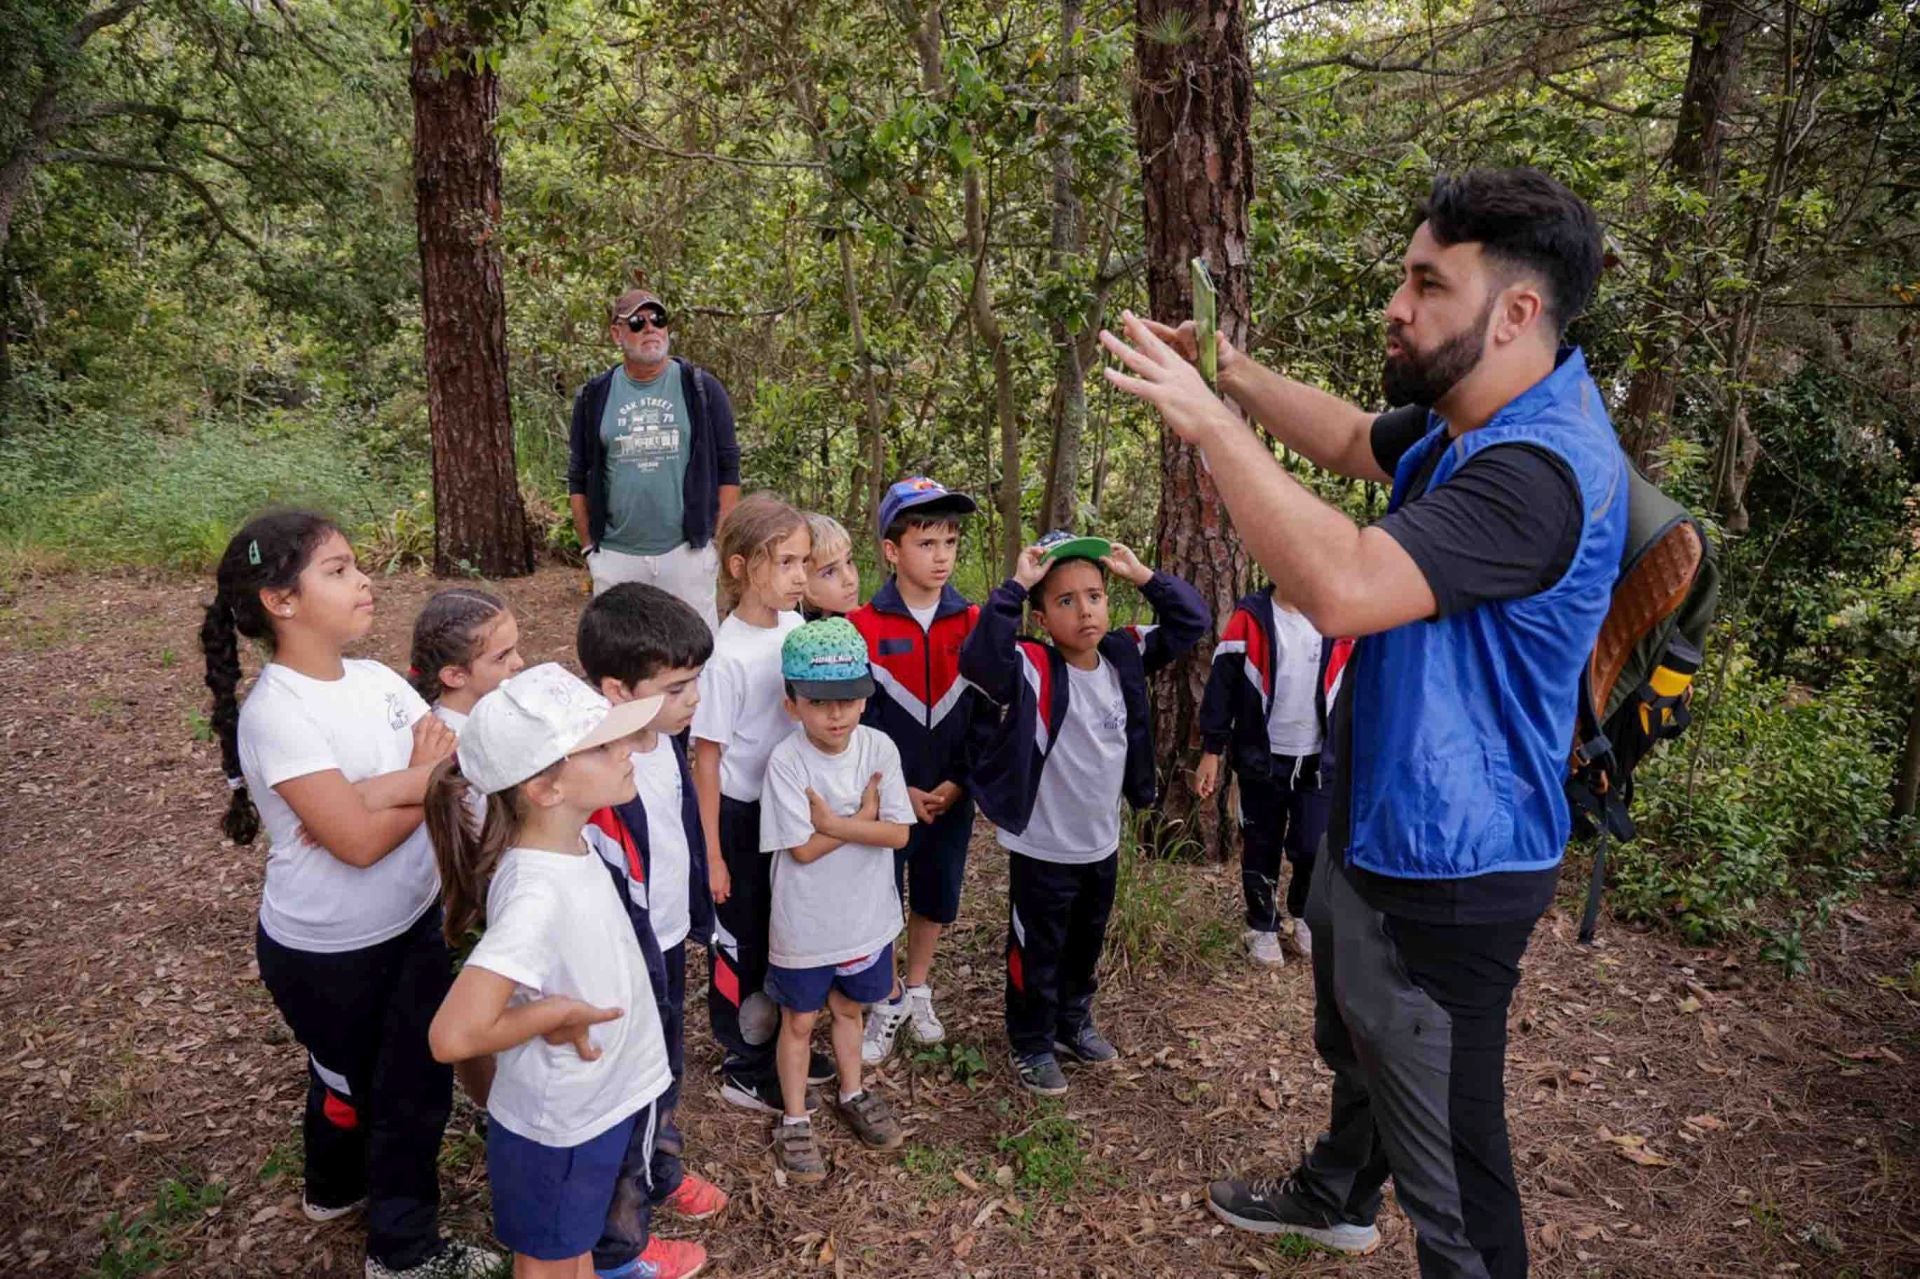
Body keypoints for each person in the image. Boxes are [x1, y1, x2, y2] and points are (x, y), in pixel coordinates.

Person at [1100, 168, 1625, 1279]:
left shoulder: (1537, 473)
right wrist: (1229, 372)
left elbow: (1342, 582)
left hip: (1453, 865)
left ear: (1517, 313)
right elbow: (1346, 441)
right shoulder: (1469, 418)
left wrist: (1204, 424)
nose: (1397, 302)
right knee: (1359, 1031)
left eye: (1429, 283)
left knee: (1457, 1170)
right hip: (1384, 817)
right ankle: (1339, 1190)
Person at [199, 509, 497, 1278]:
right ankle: (404, 1253)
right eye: (337, 570)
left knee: (347, 1071)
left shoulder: (374, 681)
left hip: (408, 920)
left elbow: (442, 767)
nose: (365, 579)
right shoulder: (279, 712)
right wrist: (419, 780)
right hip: (329, 948)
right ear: (281, 601)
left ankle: (332, 1187)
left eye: (358, 564)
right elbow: (357, 842)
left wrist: (376, 789)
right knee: (407, 1091)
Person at [424, 664, 674, 1279]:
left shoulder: (570, 845)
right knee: (550, 1265)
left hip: (591, 1107)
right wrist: (549, 1014)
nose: (631, 750)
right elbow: (452, 1036)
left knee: (574, 1250)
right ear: (545, 788)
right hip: (559, 1127)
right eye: (604, 745)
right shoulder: (538, 892)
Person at [959, 531, 1209, 1096]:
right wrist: (1015, 587)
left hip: (1101, 841)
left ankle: (1072, 1022)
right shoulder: (1032, 665)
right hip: (1044, 845)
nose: (1084, 610)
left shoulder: (1124, 653)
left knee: (1085, 939)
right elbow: (980, 659)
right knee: (1037, 945)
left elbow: (1191, 622)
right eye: (1065, 601)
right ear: (1043, 619)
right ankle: (1030, 1041)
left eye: (1093, 595)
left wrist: (1143, 575)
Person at [576, 584, 729, 1279]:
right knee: (625, 1092)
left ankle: (661, 1169)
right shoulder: (594, 770)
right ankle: (618, 1249)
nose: (692, 697)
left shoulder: (664, 739)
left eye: (695, 680)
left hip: (665, 939)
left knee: (664, 1070)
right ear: (616, 688)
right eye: (676, 686)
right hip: (619, 964)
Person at [690, 493, 836, 1110]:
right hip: (739, 814)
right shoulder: (724, 657)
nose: (801, 576)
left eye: (804, 562)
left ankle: (780, 1040)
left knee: (784, 928)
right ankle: (744, 1063)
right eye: (786, 563)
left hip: (787, 809)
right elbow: (707, 757)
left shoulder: (796, 630)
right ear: (740, 568)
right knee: (740, 939)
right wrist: (713, 855)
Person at [759, 619, 915, 1181]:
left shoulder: (879, 747)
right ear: (792, 703)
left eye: (850, 699)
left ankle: (853, 1093)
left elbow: (900, 834)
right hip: (806, 922)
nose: (837, 714)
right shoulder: (787, 760)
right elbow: (800, 849)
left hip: (865, 916)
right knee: (799, 1019)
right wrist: (861, 819)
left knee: (850, 1009)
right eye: (820, 702)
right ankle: (795, 1119)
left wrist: (836, 823)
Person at [848, 478, 985, 1064]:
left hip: (952, 792)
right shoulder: (861, 626)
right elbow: (854, 724)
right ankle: (885, 994)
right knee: (880, 893)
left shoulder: (975, 622)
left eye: (950, 542)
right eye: (926, 542)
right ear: (891, 550)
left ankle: (920, 987)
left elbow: (989, 714)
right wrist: (893, 789)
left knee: (935, 892)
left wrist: (961, 781)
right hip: (885, 797)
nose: (941, 556)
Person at [408, 586, 527, 1107]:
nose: (519, 663)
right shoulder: (452, 745)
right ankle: (492, 1107)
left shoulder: (483, 721)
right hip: (474, 900)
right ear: (454, 675)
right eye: (503, 657)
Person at [1195, 583, 1351, 966]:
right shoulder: (1250, 619)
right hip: (1261, 759)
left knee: (1314, 845)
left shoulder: (1337, 615)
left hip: (1318, 761)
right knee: (1261, 843)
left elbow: (1356, 687)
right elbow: (1222, 686)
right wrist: (1212, 750)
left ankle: (1303, 914)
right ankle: (1261, 925)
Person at [569, 287, 741, 629]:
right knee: (622, 657)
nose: (650, 328)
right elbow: (579, 475)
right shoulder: (594, 396)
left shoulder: (700, 388)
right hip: (617, 555)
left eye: (657, 319)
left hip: (687, 553)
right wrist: (591, 548)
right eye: (637, 322)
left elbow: (728, 468)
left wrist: (714, 542)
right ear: (617, 333)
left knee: (697, 656)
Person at [800, 512, 860, 620]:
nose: (850, 579)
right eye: (829, 572)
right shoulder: (787, 631)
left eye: (849, 561)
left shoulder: (864, 622)